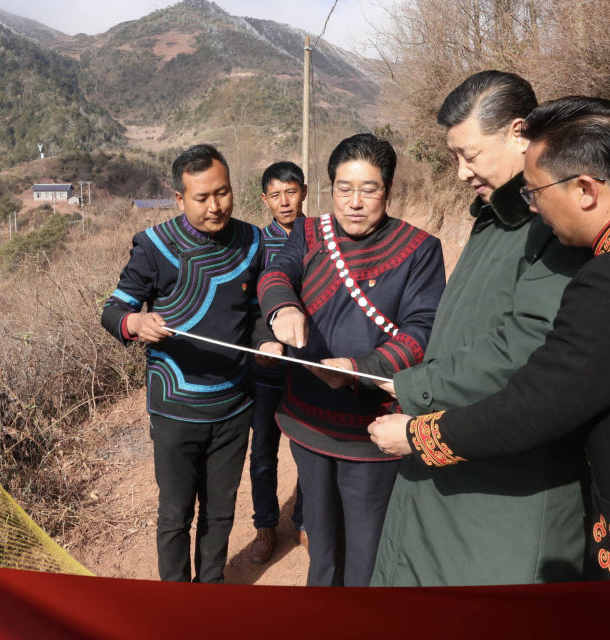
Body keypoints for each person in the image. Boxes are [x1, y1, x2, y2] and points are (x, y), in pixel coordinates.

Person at [369, 96, 610, 579]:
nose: (533, 207)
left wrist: (418, 436)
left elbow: (536, 406)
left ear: (585, 189)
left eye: (535, 191)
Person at [366, 71, 591, 587]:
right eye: (454, 158)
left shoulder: (554, 225)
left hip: (505, 493)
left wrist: (418, 387)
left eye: (470, 155)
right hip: (452, 465)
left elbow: (528, 346)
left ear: (519, 133)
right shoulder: (496, 218)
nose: (462, 173)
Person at [258, 133, 445, 586]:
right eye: (344, 188)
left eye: (369, 189)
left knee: (366, 549)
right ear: (330, 188)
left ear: (389, 189)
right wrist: (283, 308)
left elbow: (422, 331)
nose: (354, 202)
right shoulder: (308, 233)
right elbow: (277, 272)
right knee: (321, 545)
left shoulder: (419, 248)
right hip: (308, 418)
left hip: (372, 430)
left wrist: (359, 370)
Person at [100, 144, 277, 583]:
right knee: (175, 513)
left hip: (234, 405)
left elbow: (258, 310)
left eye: (223, 193)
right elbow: (114, 309)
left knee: (220, 511)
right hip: (175, 408)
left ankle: (210, 587)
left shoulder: (253, 241)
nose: (215, 206)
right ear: (180, 199)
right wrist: (135, 322)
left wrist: (268, 340)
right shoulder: (154, 246)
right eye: (202, 198)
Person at [248, 161, 307, 564]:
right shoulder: (256, 244)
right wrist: (262, 342)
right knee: (263, 451)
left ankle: (305, 521)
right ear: (265, 200)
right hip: (267, 365)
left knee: (308, 448)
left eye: (291, 192)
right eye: (275, 195)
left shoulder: (321, 235)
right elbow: (249, 306)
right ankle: (265, 525)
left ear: (303, 191)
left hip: (309, 364)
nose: (284, 202)